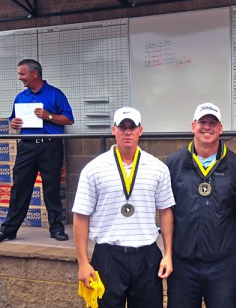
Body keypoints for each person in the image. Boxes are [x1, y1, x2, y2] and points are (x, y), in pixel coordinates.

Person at [72, 107, 175, 308]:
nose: (127, 132)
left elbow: (166, 211)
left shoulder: (158, 168)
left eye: (132, 127)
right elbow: (81, 216)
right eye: (122, 127)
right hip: (108, 256)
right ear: (113, 130)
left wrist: (168, 253)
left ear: (140, 130)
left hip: (146, 256)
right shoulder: (93, 169)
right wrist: (83, 262)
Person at [166, 102, 236, 308]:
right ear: (193, 125)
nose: (207, 127)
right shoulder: (174, 163)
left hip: (221, 264)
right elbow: (167, 207)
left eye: (213, 122)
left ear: (220, 128)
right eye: (202, 122)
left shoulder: (234, 164)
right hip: (183, 263)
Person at [0, 59, 74, 242]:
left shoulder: (55, 94)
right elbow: (13, 120)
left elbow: (69, 119)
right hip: (27, 146)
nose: (20, 78)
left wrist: (48, 116)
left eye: (22, 74)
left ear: (34, 74)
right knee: (20, 188)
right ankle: (8, 230)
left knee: (51, 189)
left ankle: (56, 229)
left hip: (50, 145)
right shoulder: (21, 97)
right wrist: (13, 123)